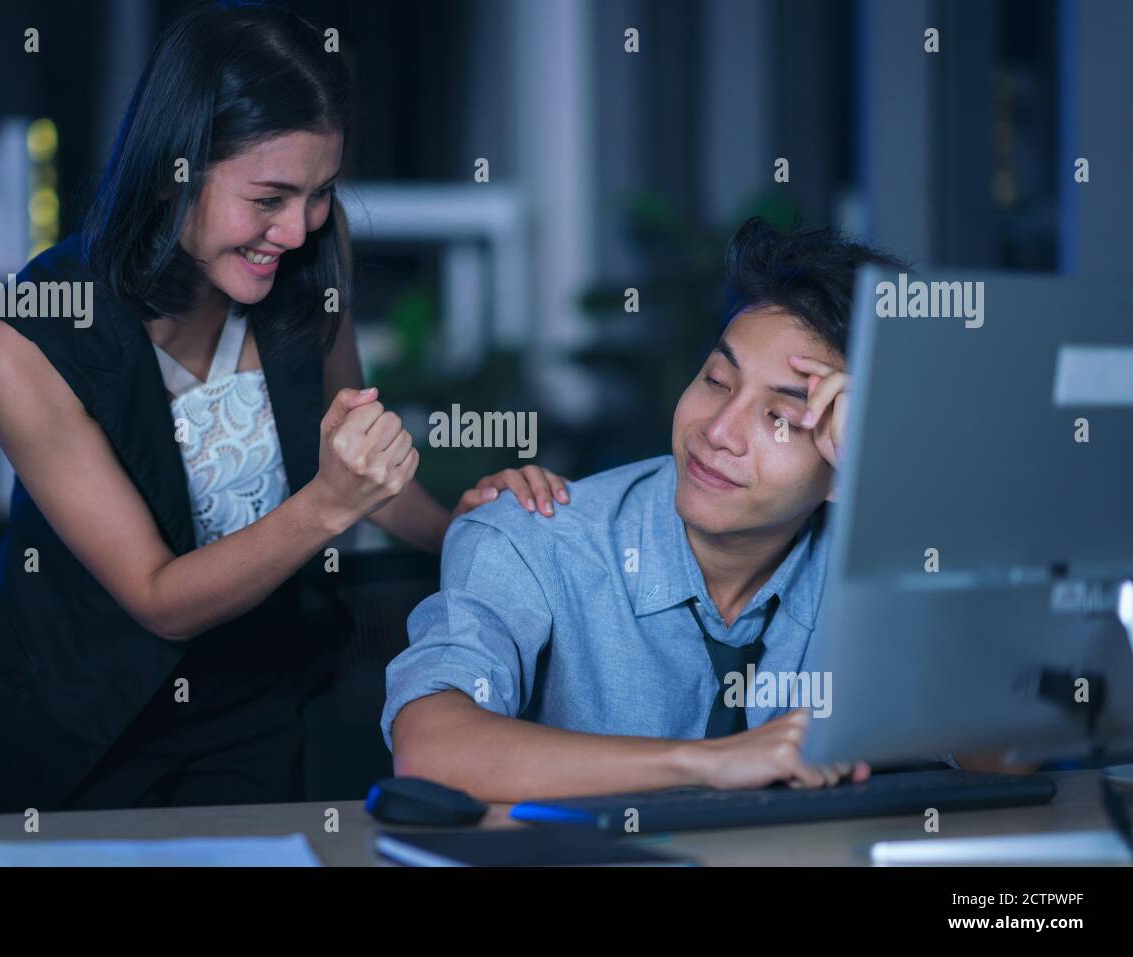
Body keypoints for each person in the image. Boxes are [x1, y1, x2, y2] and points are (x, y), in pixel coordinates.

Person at [0, 1, 568, 814]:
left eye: (320, 192)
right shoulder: (22, 345)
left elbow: (357, 463)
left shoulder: (311, 253)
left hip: (254, 703)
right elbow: (159, 598)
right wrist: (330, 504)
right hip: (74, 729)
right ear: (177, 168)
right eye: (269, 197)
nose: (299, 228)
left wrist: (481, 534)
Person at [384, 217, 1034, 803]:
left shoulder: (881, 553)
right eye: (717, 381)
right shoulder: (531, 535)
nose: (718, 430)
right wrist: (711, 761)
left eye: (779, 416)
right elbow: (431, 748)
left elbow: (1006, 760)